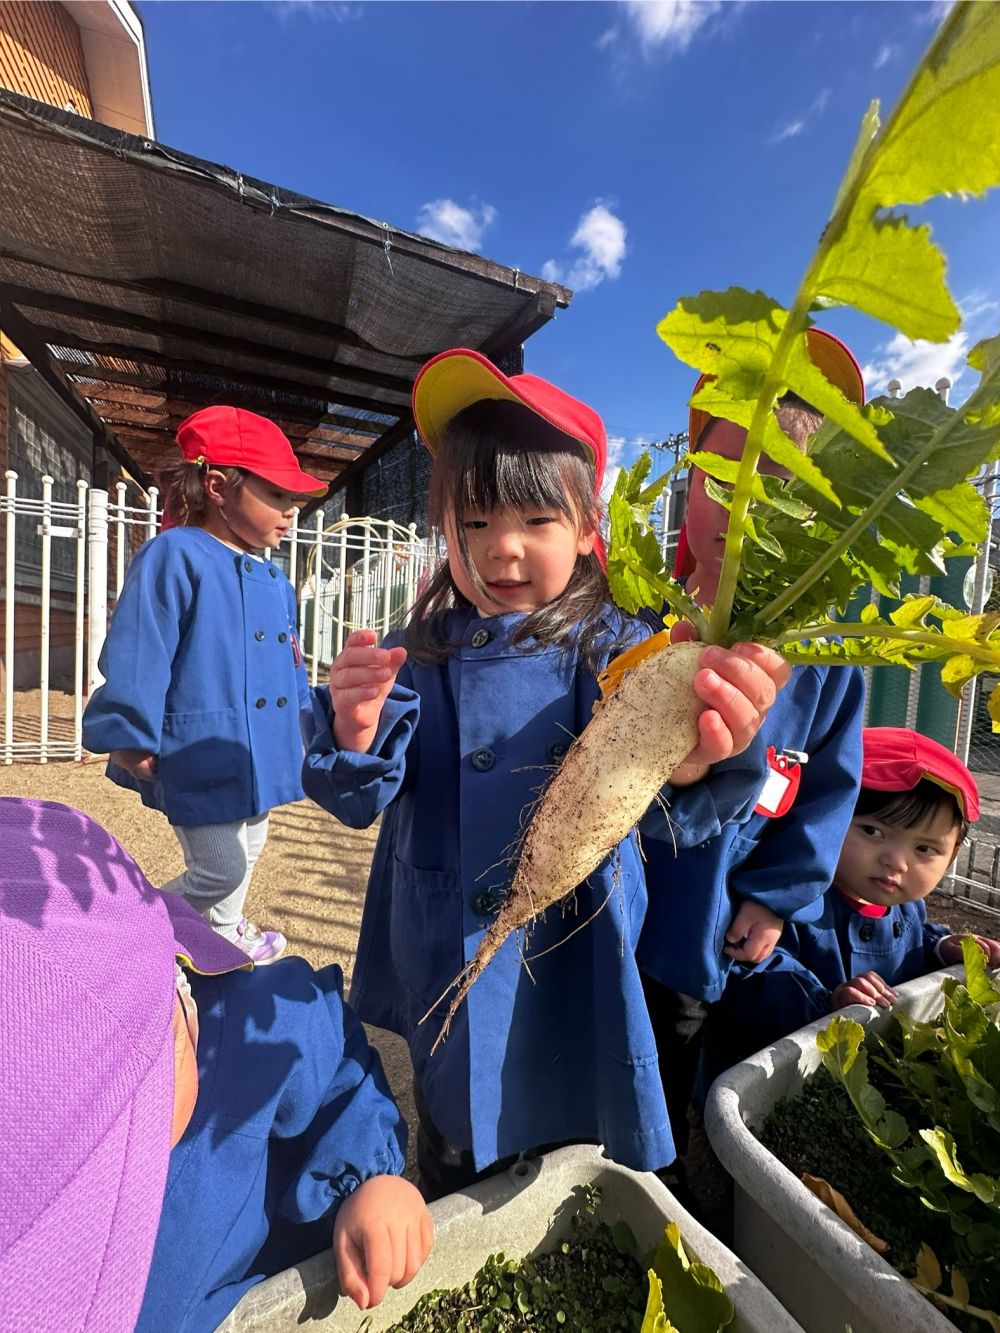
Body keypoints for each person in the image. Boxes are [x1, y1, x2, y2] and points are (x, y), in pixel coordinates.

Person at [301, 347, 792, 1199]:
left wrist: (702, 754)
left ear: (589, 529)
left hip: (570, 949)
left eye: (536, 520)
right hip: (445, 932)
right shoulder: (422, 652)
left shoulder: (615, 646)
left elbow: (668, 786)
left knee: (567, 1130)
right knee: (453, 1120)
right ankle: (452, 1183)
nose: (504, 550)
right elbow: (361, 789)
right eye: (476, 520)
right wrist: (354, 727)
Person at [0, 797, 432, 1333]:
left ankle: (227, 926)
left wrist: (369, 1177)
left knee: (231, 857)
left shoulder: (240, 1038)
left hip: (229, 772)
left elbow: (331, 1058)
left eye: (132, 1115)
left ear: (181, 1006)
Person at [638, 329, 868, 1174]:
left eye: (784, 489)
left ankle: (672, 1168)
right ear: (688, 483)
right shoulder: (643, 621)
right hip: (630, 905)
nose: (746, 509)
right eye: (722, 480)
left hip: (721, 924)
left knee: (691, 1056)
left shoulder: (830, 663)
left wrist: (776, 900)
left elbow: (827, 796)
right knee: (623, 1037)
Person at [82, 406, 325, 963]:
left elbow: (292, 665)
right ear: (218, 486)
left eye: (295, 501)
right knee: (219, 867)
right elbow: (142, 646)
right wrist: (129, 730)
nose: (292, 512)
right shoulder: (176, 553)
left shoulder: (273, 576)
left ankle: (223, 930)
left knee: (254, 843)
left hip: (259, 750)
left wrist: (306, 733)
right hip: (198, 745)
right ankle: (126, 938)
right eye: (280, 496)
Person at [716, 727, 1000, 1052]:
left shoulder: (908, 908)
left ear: (953, 855)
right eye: (872, 831)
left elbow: (915, 938)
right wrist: (830, 1001)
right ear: (827, 819)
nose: (896, 862)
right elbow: (755, 974)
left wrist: (943, 948)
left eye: (924, 849)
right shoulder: (790, 902)